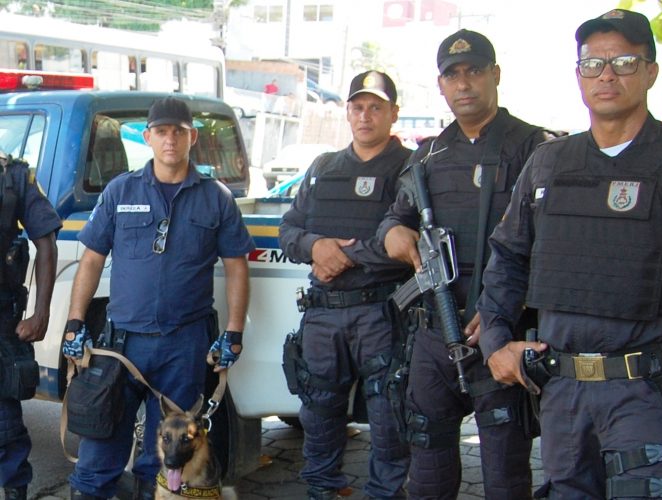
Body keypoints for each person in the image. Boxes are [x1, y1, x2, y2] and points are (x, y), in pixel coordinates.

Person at [476, 9, 662, 499]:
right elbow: (507, 259)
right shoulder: (548, 163)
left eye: (625, 62)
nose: (607, 74)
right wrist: (496, 343)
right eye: (593, 64)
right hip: (561, 394)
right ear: (579, 75)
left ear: (650, 72)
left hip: (646, 396)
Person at [379, 30, 550, 499]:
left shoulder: (537, 150)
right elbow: (396, 217)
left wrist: (502, 313)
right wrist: (395, 233)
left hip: (500, 334)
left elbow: (554, 249)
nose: (464, 83)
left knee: (504, 474)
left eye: (474, 70)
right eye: (452, 75)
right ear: (440, 85)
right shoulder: (429, 154)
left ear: (495, 75)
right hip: (435, 333)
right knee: (428, 472)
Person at [62, 96, 254, 500]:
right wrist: (75, 323)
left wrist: (234, 332)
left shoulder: (216, 197)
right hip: (121, 347)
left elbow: (237, 265)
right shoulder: (120, 190)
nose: (170, 140)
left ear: (192, 137)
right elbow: (92, 258)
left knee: (165, 461)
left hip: (183, 347)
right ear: (148, 137)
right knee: (98, 453)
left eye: (179, 132)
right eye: (162, 131)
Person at [279, 70, 411, 500]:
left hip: (381, 312)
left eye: (376, 107)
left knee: (389, 415)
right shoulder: (323, 168)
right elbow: (288, 230)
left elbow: (409, 238)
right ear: (347, 111)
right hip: (322, 314)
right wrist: (316, 245)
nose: (365, 116)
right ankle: (323, 489)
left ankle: (384, 494)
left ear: (393, 112)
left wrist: (346, 256)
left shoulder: (412, 168)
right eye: (358, 106)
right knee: (318, 412)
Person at [0, 154, 60, 500]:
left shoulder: (15, 176)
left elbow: (45, 241)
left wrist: (41, 313)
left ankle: (14, 492)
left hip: (2, 320)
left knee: (4, 420)